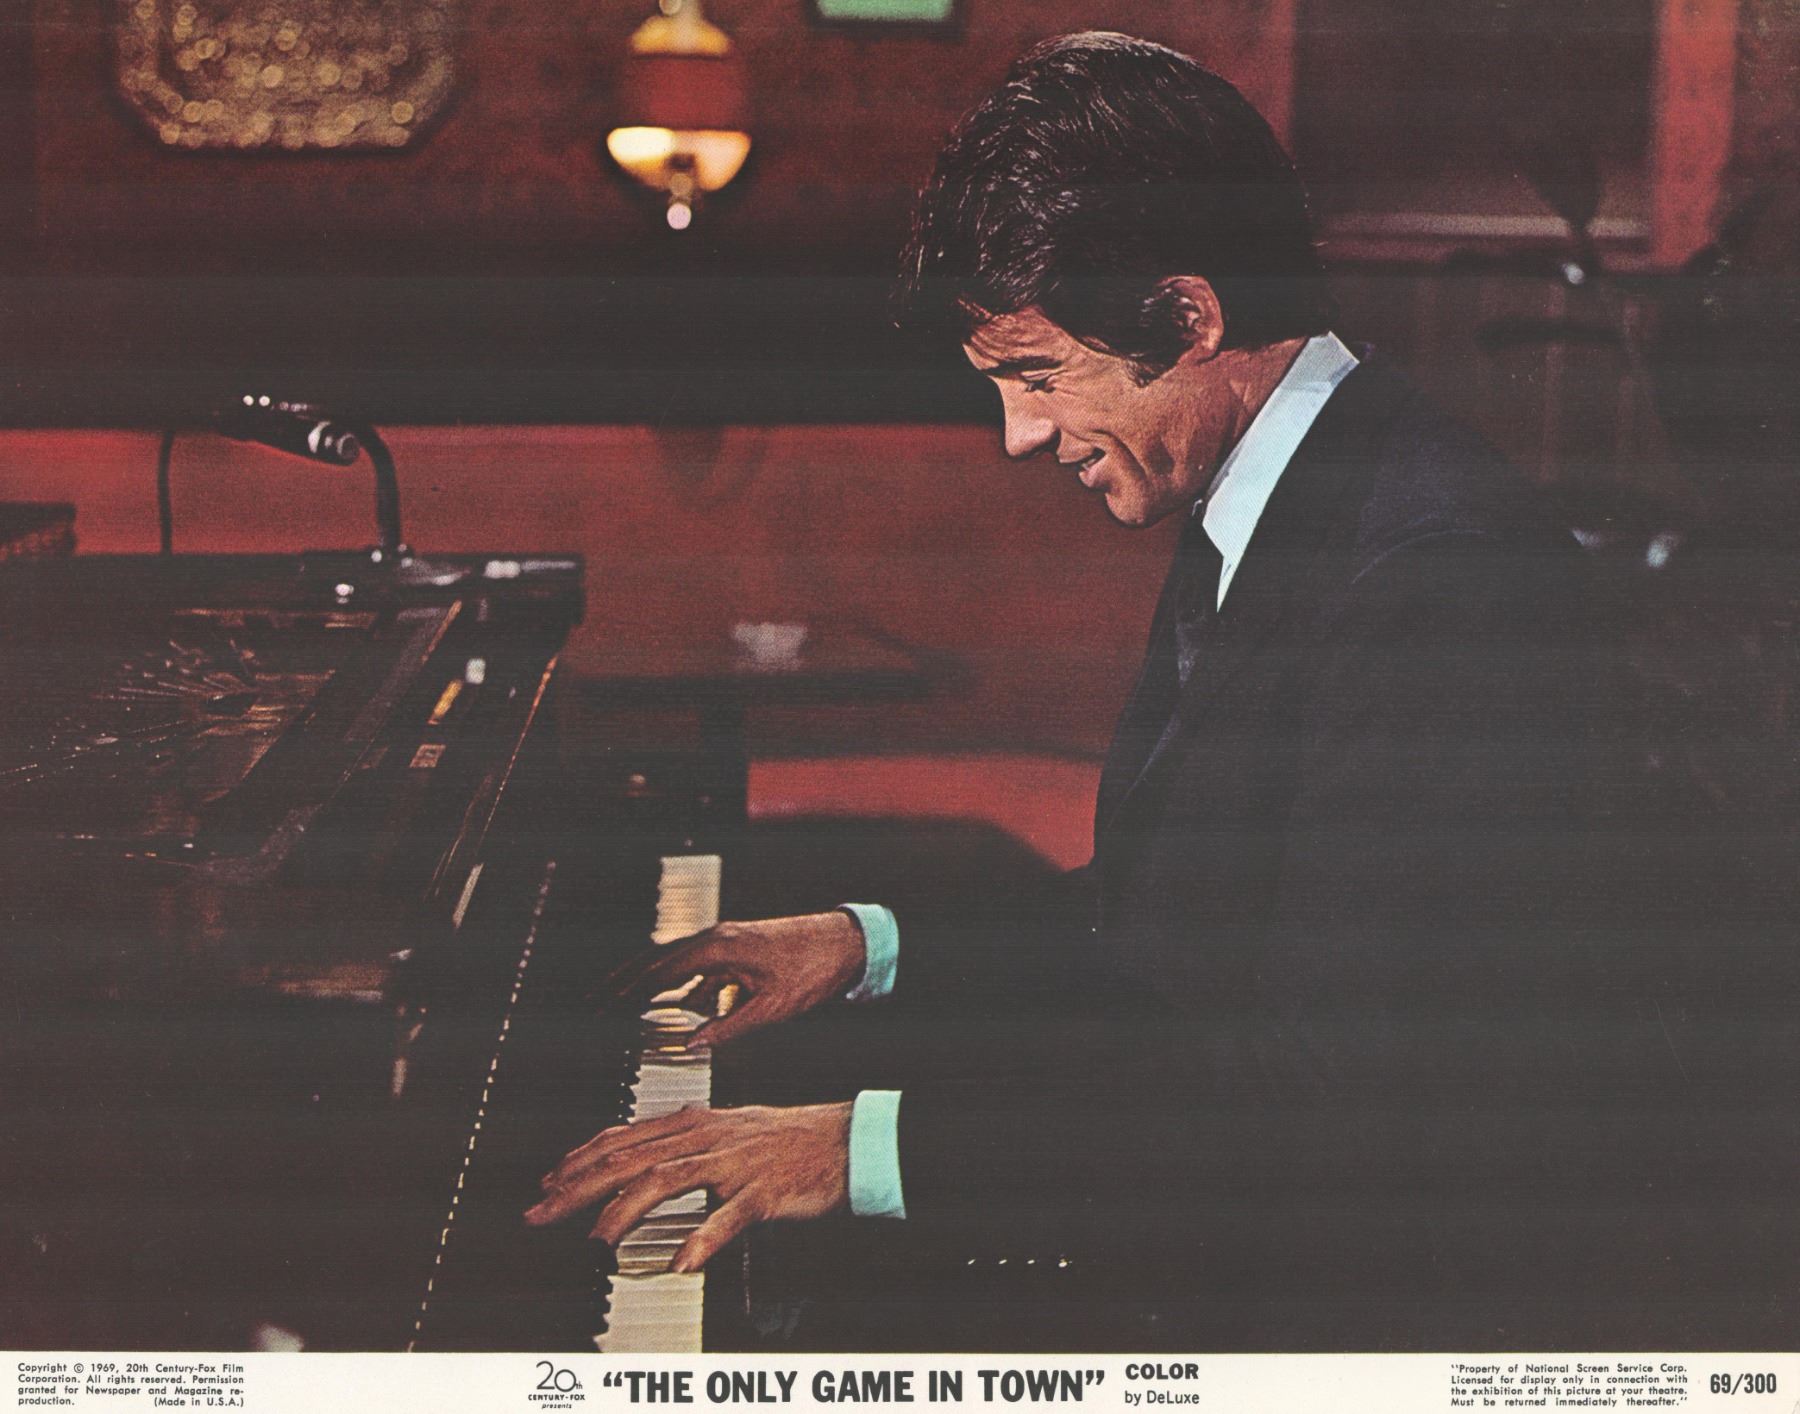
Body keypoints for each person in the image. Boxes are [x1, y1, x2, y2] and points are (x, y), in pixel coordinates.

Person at [525, 33, 1753, 1350]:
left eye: (1038, 378)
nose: (1019, 437)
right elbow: (1175, 920)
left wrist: (860, 1149)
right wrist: (865, 945)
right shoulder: (1280, 484)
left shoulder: (1436, 575)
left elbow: (1335, 1102)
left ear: (1188, 318)